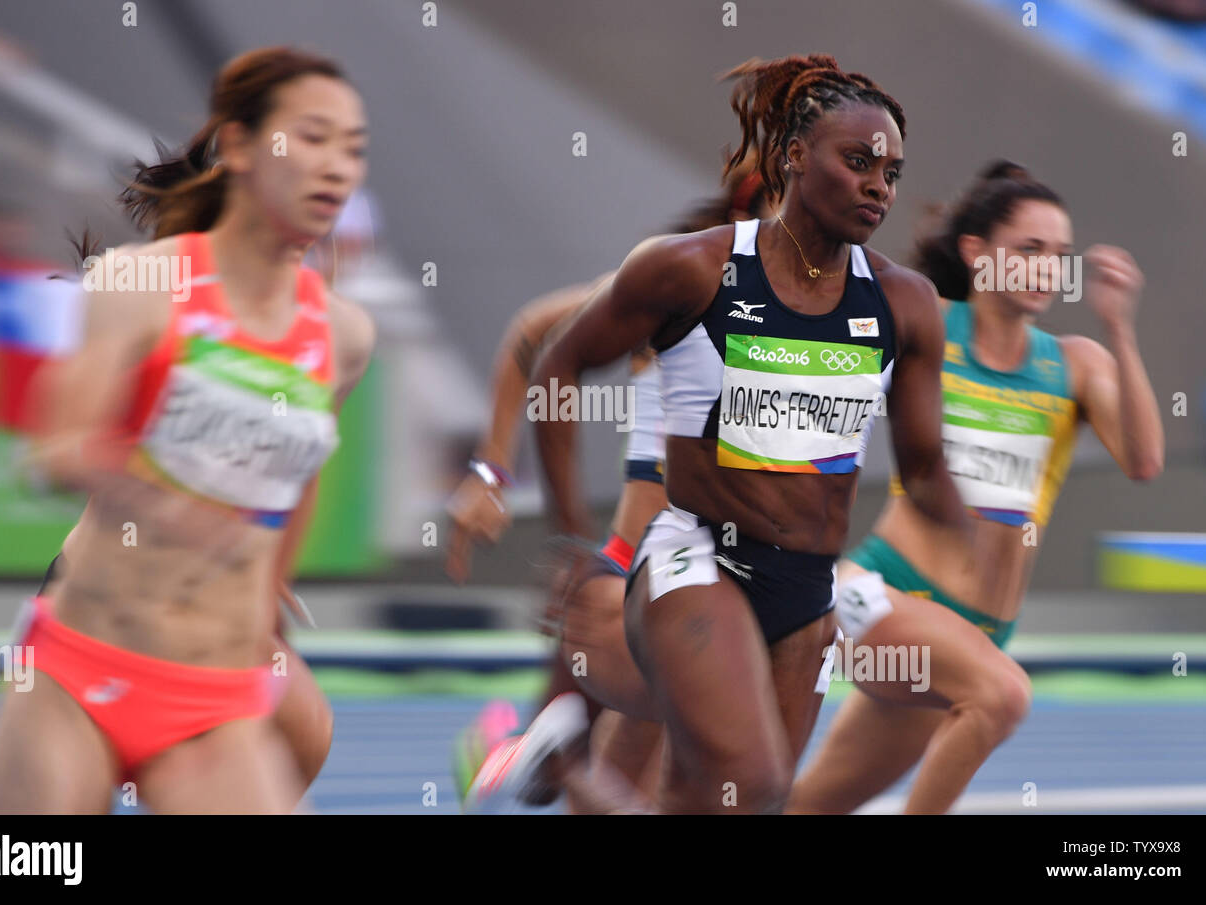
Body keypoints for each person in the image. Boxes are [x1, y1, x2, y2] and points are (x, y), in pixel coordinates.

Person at [519, 52, 969, 814]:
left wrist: (968, 531)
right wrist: (573, 541)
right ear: (794, 156)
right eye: (858, 161)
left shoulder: (906, 304)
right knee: (755, 776)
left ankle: (564, 761)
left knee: (734, 804)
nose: (877, 187)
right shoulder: (689, 270)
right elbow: (556, 366)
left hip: (808, 587)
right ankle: (566, 760)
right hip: (699, 559)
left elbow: (922, 464)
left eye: (890, 173)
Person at [0, 46, 375, 814]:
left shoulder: (344, 338)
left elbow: (304, 467)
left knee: (309, 730)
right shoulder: (145, 282)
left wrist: (270, 583)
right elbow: (55, 448)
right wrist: (164, 504)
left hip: (212, 686)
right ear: (238, 149)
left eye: (353, 149)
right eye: (313, 141)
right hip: (86, 651)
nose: (336, 168)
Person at [791, 161, 1164, 814]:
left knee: (808, 807)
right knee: (1003, 695)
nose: (1048, 268)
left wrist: (1121, 329)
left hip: (977, 633)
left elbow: (1143, 461)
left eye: (1059, 255)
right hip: (881, 595)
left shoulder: (1076, 364)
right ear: (977, 253)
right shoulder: (928, 322)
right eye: (1030, 249)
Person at [452, 165, 776, 811]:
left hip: (717, 588)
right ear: (752, 211)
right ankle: (510, 754)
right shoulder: (678, 281)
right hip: (634, 584)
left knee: (620, 778)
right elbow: (531, 340)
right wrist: (492, 472)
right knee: (602, 771)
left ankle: (516, 753)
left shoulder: (820, 310)